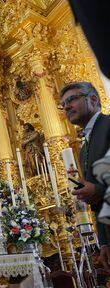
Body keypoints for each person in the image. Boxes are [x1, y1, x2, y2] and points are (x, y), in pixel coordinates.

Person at [61, 82, 110, 269]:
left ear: (93, 99)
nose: (66, 106)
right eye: (63, 104)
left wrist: (97, 189)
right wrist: (104, 241)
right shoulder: (83, 151)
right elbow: (98, 202)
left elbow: (98, 190)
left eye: (72, 99)